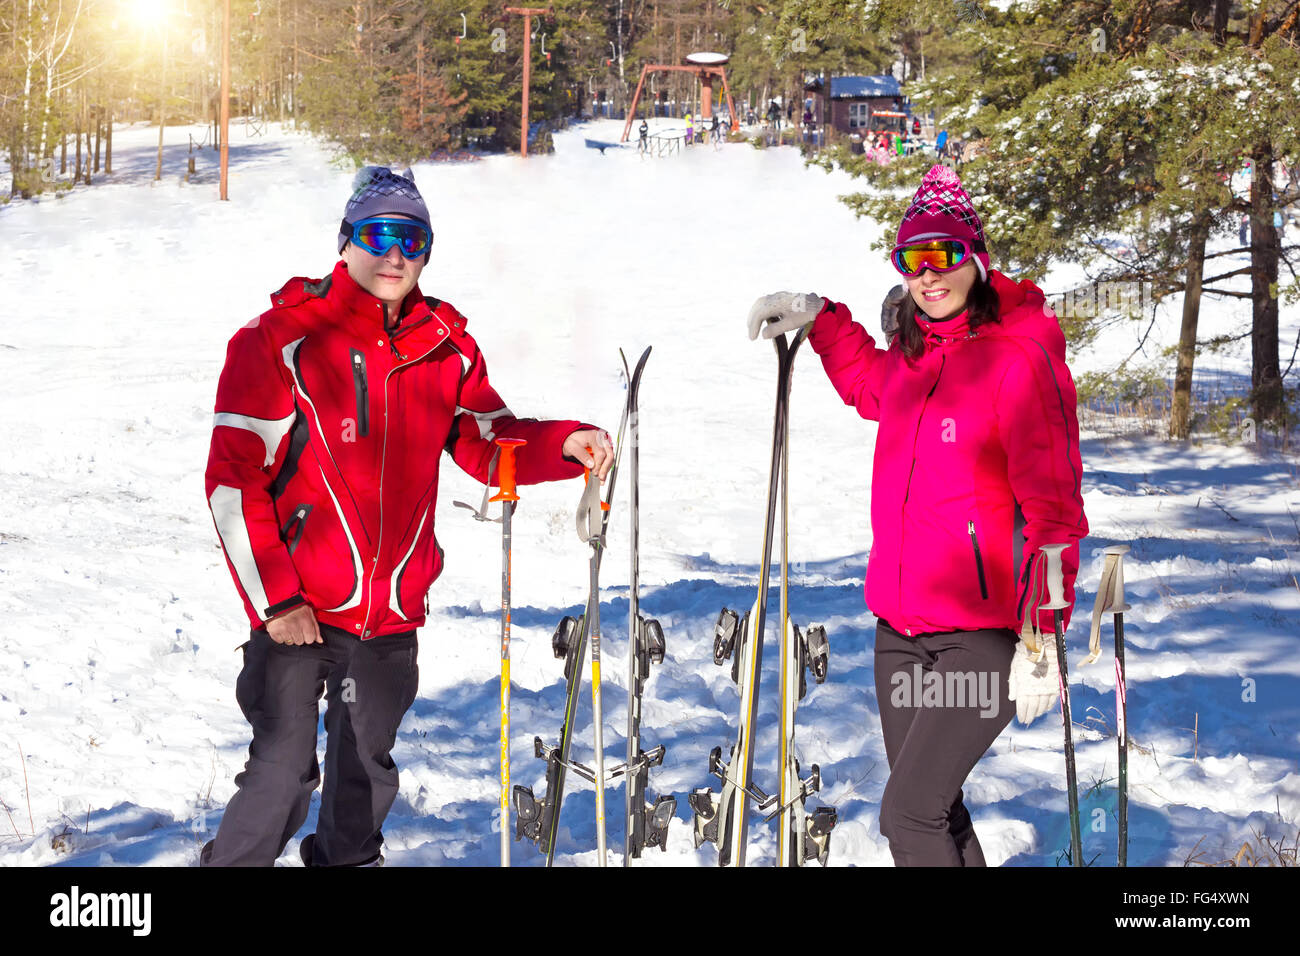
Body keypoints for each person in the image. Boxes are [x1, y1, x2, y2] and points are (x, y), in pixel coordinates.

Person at [200, 166, 613, 867]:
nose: (395, 254)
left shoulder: (442, 348)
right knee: (282, 772)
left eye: (412, 238)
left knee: (364, 777)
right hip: (300, 607)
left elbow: (485, 438)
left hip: (391, 610)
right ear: (347, 242)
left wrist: (562, 443)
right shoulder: (280, 340)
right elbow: (233, 480)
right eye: (378, 234)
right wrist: (277, 602)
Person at [746, 164, 1088, 866]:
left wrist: (1044, 635)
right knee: (935, 810)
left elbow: (1055, 512)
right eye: (912, 259)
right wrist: (822, 317)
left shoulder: (1018, 358)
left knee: (907, 814)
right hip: (899, 631)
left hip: (983, 637)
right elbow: (869, 384)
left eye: (947, 255)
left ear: (977, 261)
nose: (929, 275)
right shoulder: (912, 355)